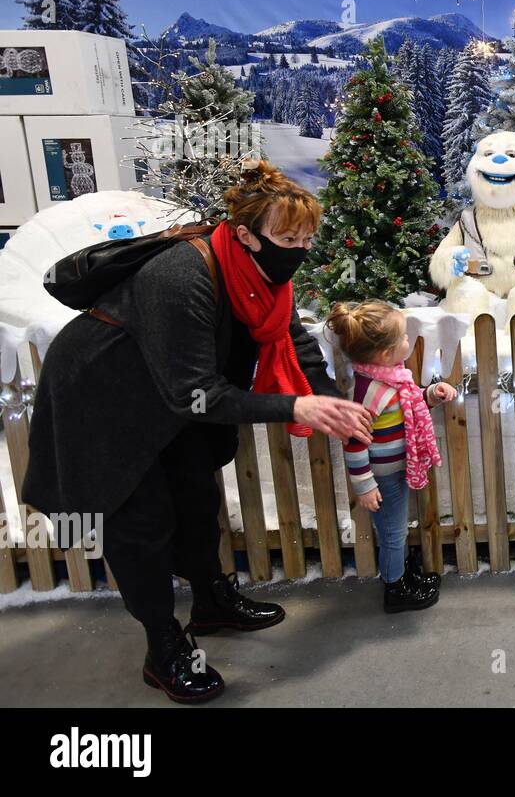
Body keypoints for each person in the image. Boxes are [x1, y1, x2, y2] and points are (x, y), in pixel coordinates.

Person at [24, 161, 374, 703]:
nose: (299, 249)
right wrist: (295, 407)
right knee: (139, 519)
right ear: (244, 235)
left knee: (194, 494)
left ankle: (211, 601)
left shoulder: (264, 273)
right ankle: (162, 645)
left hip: (170, 391)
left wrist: (328, 397)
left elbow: (289, 336)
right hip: (105, 395)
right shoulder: (181, 275)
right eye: (287, 238)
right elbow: (200, 394)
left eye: (307, 238)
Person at [326, 300, 458, 613]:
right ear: (386, 354)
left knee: (396, 529)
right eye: (402, 338)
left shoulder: (393, 378)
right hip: (382, 477)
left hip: (398, 468)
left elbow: (408, 412)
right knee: (392, 534)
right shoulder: (373, 391)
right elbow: (354, 440)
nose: (407, 342)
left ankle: (402, 574)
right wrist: (365, 486)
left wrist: (432, 394)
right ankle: (395, 588)